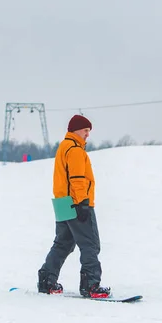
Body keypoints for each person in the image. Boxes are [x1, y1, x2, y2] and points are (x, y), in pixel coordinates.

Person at [37, 114, 111, 298]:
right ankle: (91, 285)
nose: (87, 135)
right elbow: (77, 178)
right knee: (90, 244)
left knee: (63, 244)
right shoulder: (76, 150)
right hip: (76, 203)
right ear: (76, 130)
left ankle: (47, 280)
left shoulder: (64, 147)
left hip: (62, 202)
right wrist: (83, 203)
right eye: (85, 130)